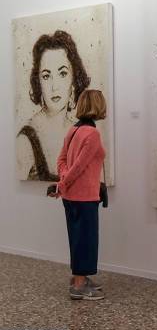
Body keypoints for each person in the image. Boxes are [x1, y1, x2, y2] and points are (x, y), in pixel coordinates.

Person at [50, 89, 106, 300]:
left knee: (77, 238)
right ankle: (79, 286)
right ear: (97, 106)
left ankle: (78, 278)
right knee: (86, 240)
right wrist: (64, 184)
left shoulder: (73, 130)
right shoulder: (92, 134)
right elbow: (79, 167)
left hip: (71, 197)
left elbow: (62, 161)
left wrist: (63, 184)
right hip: (84, 198)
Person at [17, 30, 91, 182]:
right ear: (38, 83)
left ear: (74, 79)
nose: (54, 86)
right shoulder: (26, 140)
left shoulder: (82, 133)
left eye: (62, 74)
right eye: (46, 76)